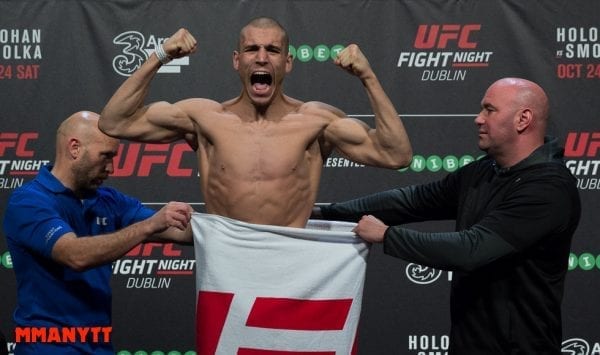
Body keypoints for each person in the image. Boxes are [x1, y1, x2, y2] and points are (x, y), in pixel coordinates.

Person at [313, 77, 581, 354]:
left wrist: (387, 235)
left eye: (489, 110)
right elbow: (412, 201)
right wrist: (323, 211)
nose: (478, 119)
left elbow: (472, 249)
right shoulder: (484, 171)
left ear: (523, 119)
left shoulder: (548, 188)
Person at [98, 16, 412, 228]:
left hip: (290, 260)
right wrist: (160, 55)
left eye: (273, 50)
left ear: (287, 63)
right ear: (238, 61)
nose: (261, 58)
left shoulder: (317, 121)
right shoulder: (204, 118)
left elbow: (395, 155)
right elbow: (116, 122)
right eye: (252, 49)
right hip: (225, 261)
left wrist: (367, 77)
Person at [3, 111, 194, 354]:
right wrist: (148, 226)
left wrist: (242, 225)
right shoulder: (29, 201)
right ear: (74, 148)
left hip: (99, 347)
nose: (111, 167)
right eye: (105, 156)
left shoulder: (108, 200)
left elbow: (181, 231)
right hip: (46, 347)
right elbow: (74, 255)